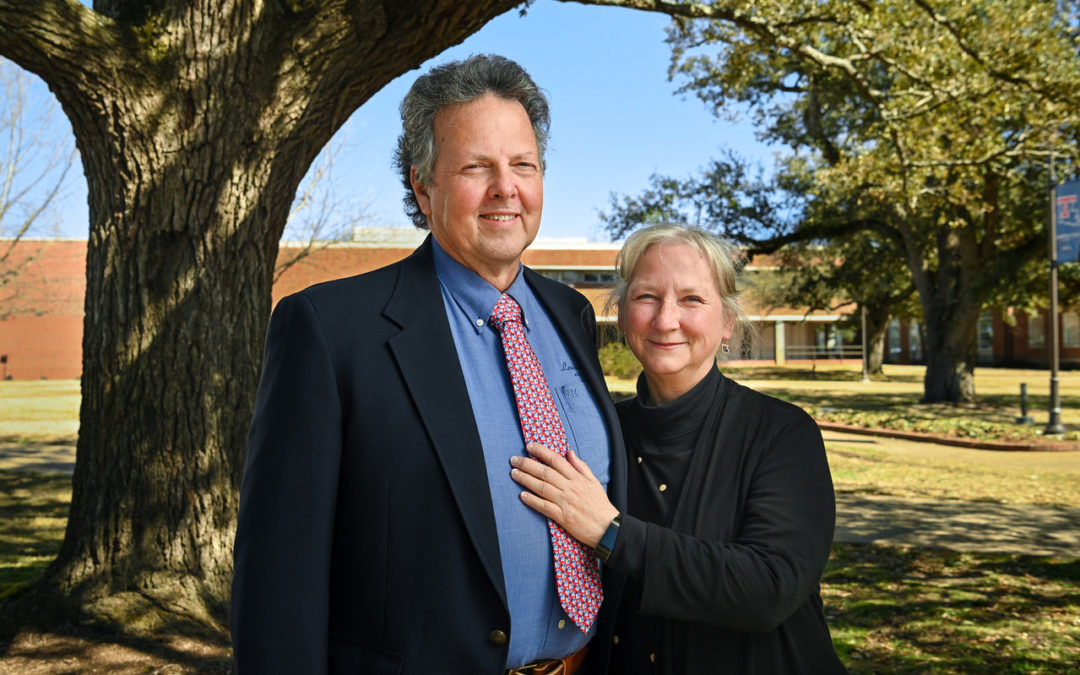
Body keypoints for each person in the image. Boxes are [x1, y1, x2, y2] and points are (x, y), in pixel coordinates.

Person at [231, 54, 626, 674]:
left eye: (523, 165)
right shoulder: (331, 329)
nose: (506, 188)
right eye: (477, 167)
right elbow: (279, 574)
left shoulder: (569, 313)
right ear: (422, 185)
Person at [510, 224, 846, 673]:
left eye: (692, 299)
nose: (666, 319)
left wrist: (611, 532)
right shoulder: (597, 432)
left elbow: (770, 587)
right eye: (647, 297)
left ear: (727, 321)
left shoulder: (782, 433)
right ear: (623, 313)